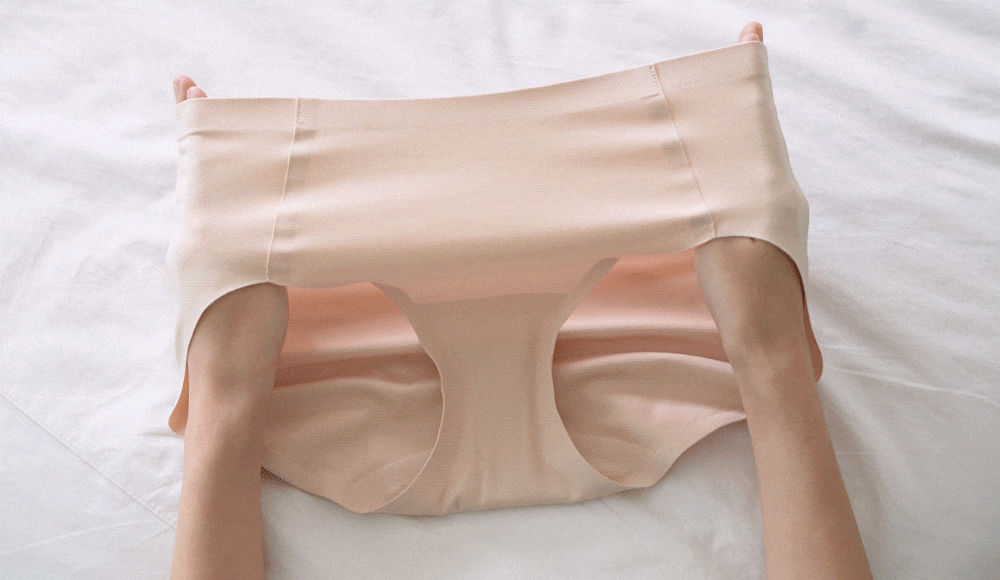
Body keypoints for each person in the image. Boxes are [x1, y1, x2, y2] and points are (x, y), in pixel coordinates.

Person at [168, 21, 874, 580]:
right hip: (689, 238)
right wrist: (772, 353)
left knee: (227, 402)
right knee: (771, 358)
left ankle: (228, 403)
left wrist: (225, 402)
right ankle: (768, 353)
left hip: (284, 285)